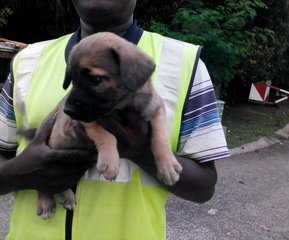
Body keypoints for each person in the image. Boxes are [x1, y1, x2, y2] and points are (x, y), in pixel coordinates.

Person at [0, 0, 230, 239]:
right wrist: (17, 172)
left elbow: (204, 187)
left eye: (97, 79)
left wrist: (143, 151)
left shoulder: (183, 62)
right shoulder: (27, 60)